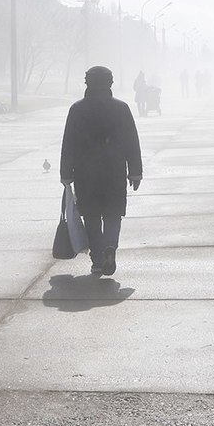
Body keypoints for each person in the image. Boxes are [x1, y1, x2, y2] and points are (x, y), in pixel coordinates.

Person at [60, 66, 143, 277]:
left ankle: (97, 259)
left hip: (85, 173)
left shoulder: (77, 109)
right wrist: (135, 171)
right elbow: (132, 141)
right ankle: (110, 248)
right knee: (113, 213)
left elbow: (68, 142)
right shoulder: (121, 108)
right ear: (110, 84)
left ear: (87, 83)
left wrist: (65, 173)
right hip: (114, 171)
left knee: (92, 216)